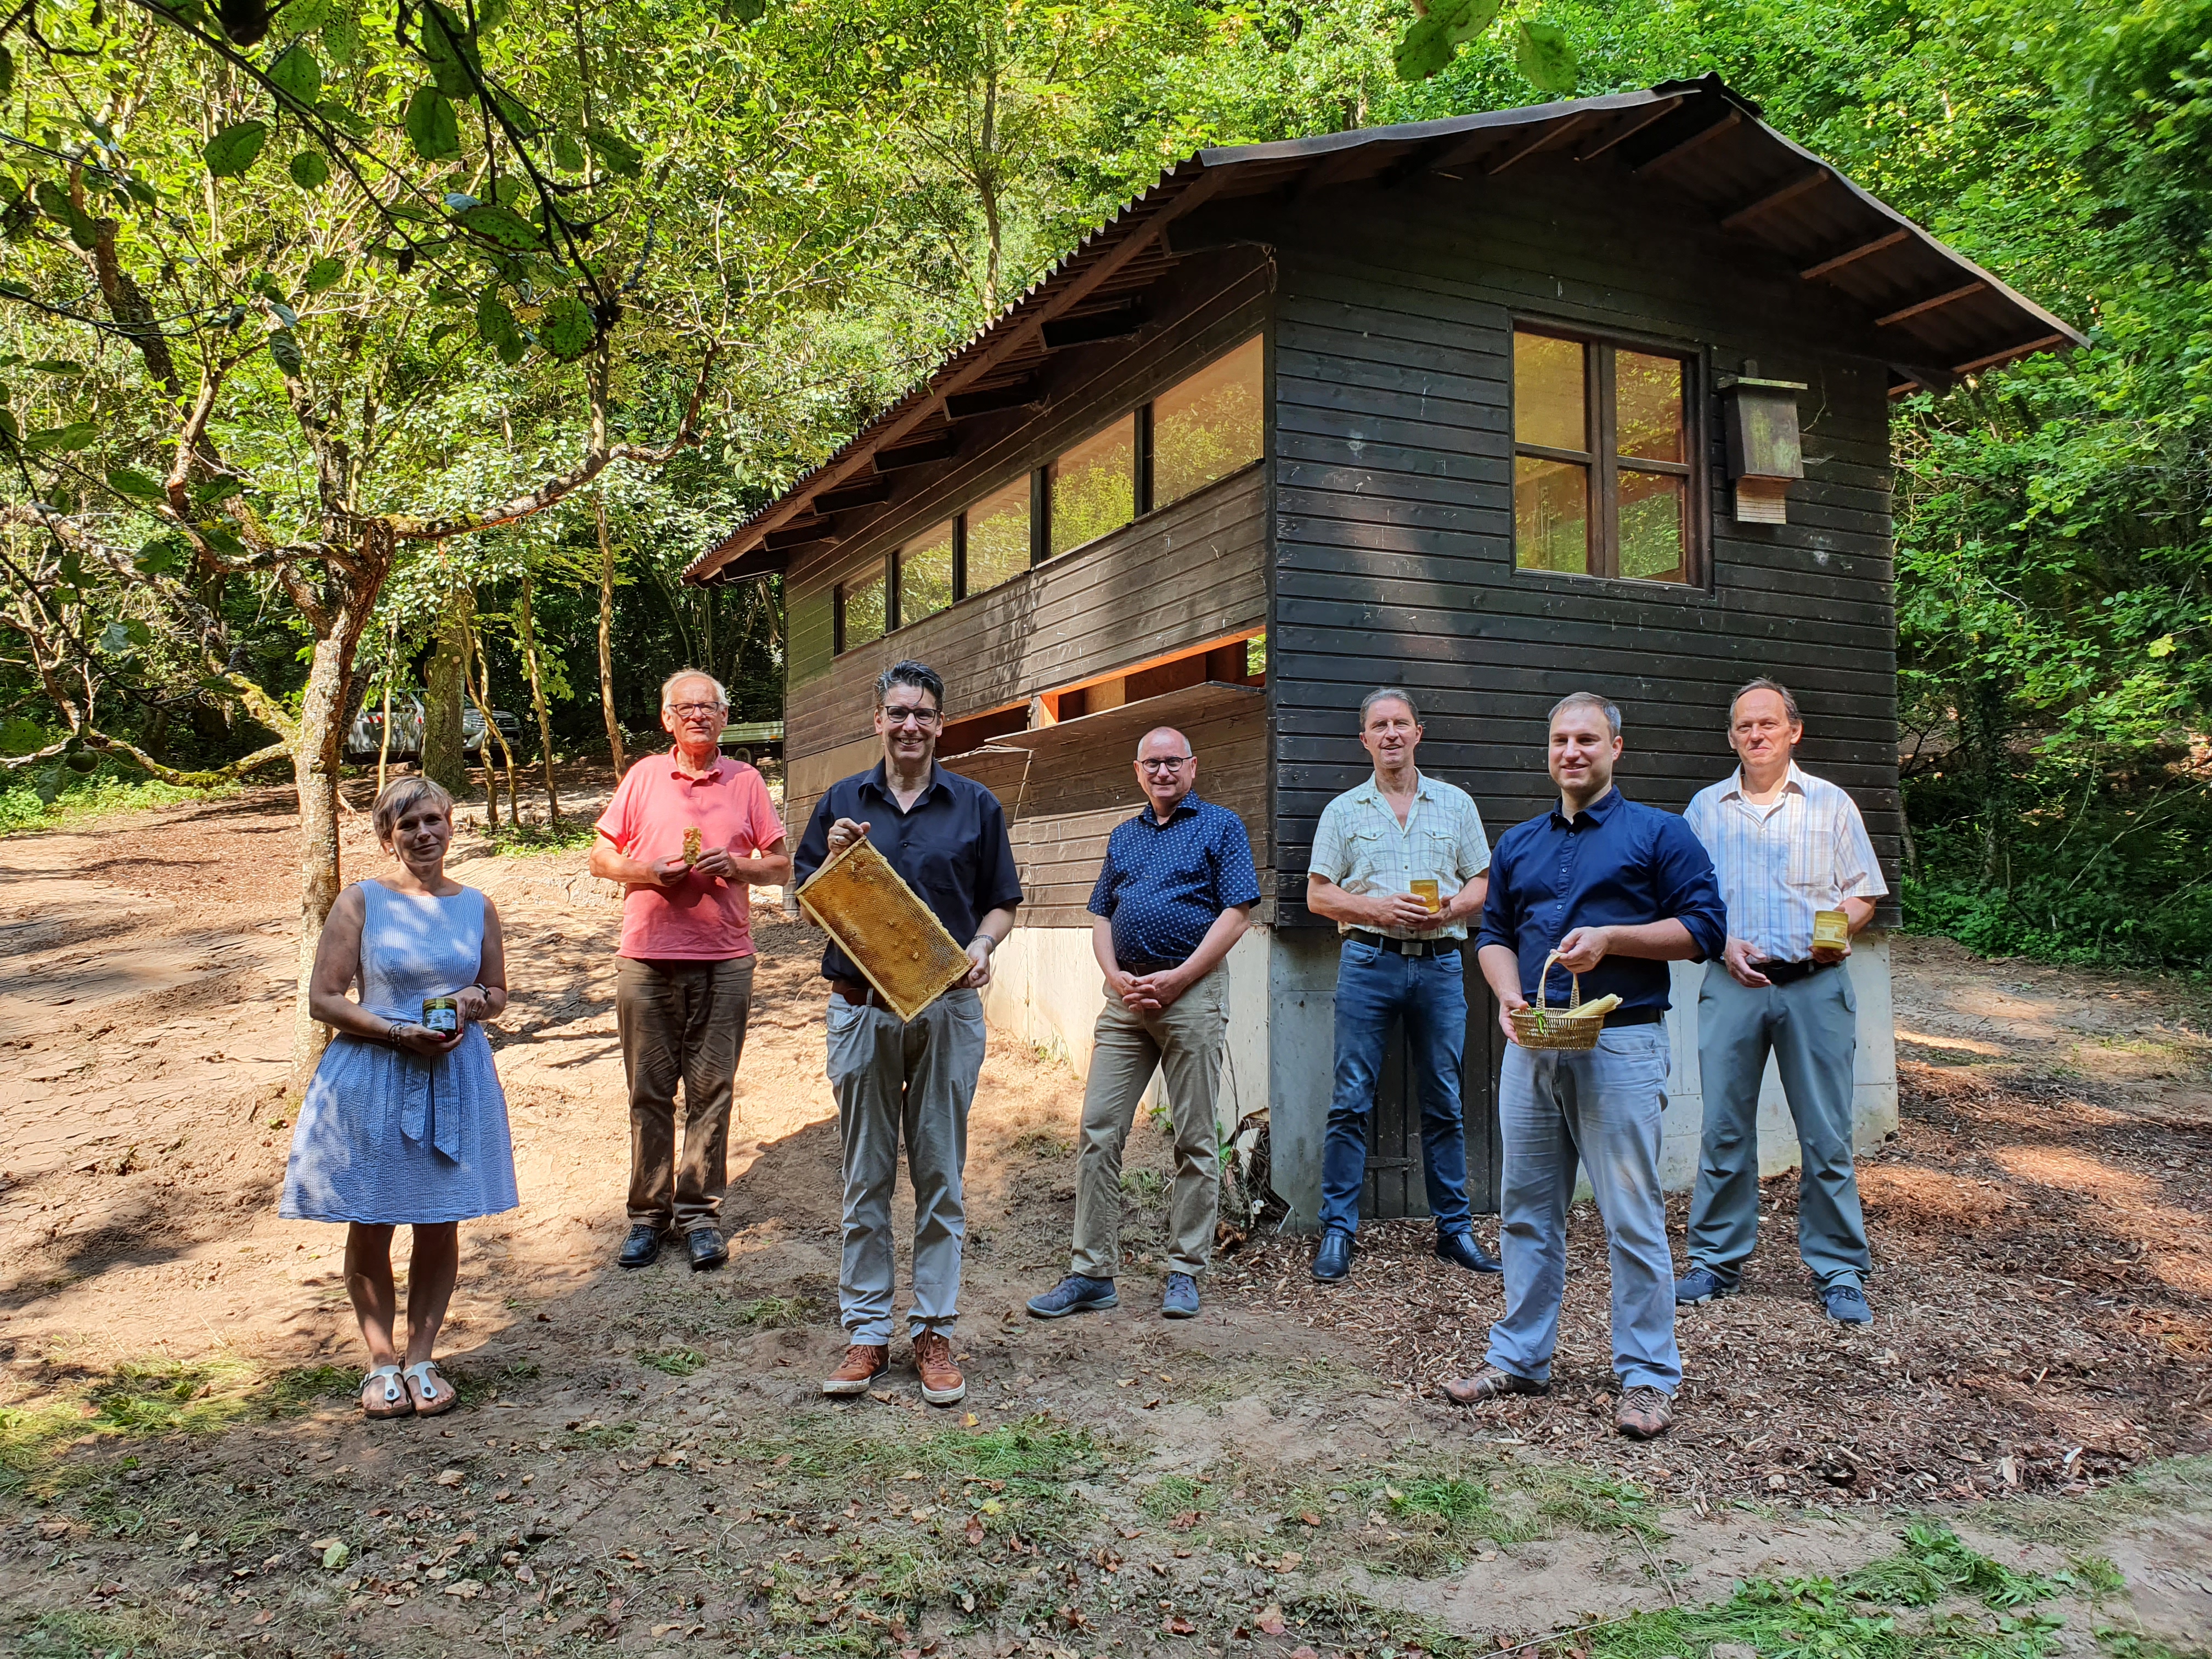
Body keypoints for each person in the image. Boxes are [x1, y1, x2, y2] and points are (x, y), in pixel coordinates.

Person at [1443, 692, 1726, 1441]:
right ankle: (1521, 1357)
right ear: (1550, 752)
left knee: (1631, 1216)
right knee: (1528, 1211)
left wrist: (1613, 940)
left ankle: (1646, 1377)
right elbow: (1494, 933)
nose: (1573, 751)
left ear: (1616, 748)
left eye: (1588, 740)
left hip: (1621, 1043)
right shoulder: (1518, 845)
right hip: (1531, 1042)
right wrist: (1507, 996)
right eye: (1562, 740)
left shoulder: (1661, 834)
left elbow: (1703, 929)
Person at [794, 659, 1024, 1407]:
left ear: (940, 724)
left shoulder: (977, 804)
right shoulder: (840, 803)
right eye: (897, 713)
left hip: (948, 1011)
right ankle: (866, 1334)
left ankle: (932, 1332)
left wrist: (984, 948)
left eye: (922, 714)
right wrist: (832, 860)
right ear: (878, 721)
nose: (909, 726)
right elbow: (808, 908)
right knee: (866, 1177)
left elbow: (1000, 905)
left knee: (940, 1177)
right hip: (860, 1009)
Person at [281, 777, 516, 1420]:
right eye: (407, 825)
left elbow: (497, 993)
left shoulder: (478, 906)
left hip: (453, 1075)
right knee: (373, 1216)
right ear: (389, 837)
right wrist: (394, 1030)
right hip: (374, 1075)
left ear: (451, 826)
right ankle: (381, 1363)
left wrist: (474, 1001)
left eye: (433, 821)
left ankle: (422, 1358)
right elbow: (323, 999)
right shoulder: (362, 902)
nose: (423, 834)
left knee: (440, 1218)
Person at [1026, 726, 1260, 1324]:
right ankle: (1091, 1272)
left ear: (1192, 767)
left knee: (1194, 1138)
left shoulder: (1221, 827)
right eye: (1152, 764)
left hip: (1191, 997)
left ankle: (1185, 1270)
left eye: (1173, 762)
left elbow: (1237, 914)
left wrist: (1180, 977)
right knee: (1100, 1131)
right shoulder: (1124, 837)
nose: (1162, 772)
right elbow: (1102, 915)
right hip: (1125, 1002)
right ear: (1138, 772)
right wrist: (1115, 976)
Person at [1678, 678, 1889, 1323]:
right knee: (1723, 1131)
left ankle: (1839, 1269)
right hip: (1734, 984)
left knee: (1826, 1135)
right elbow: (1685, 900)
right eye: (1744, 726)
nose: (1756, 735)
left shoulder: (1830, 804)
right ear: (1733, 736)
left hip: (1816, 987)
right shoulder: (1704, 809)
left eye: (1768, 724)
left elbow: (1863, 890)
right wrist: (1722, 943)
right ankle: (1714, 1260)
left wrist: (1838, 932)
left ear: (1793, 731)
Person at [590, 670, 791, 1273]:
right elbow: (601, 858)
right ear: (667, 719)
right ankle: (647, 1218)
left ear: (725, 719)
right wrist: (649, 871)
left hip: (725, 960)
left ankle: (700, 1213)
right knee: (649, 1091)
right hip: (647, 958)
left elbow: (781, 867)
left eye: (709, 707)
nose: (698, 715)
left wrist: (738, 865)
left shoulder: (747, 781)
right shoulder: (644, 776)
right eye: (685, 707)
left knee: (711, 1091)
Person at [1304, 687, 1497, 1284]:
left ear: (1418, 733)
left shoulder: (1456, 805)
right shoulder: (1343, 811)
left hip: (1441, 964)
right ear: (1365, 740)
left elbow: (1484, 883)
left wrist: (1450, 912)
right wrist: (1374, 910)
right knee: (1351, 1097)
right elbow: (1318, 894)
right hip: (1369, 961)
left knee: (1444, 1097)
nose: (1391, 734)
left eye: (1400, 724)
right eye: (1379, 726)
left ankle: (1455, 1230)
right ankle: (1338, 1230)